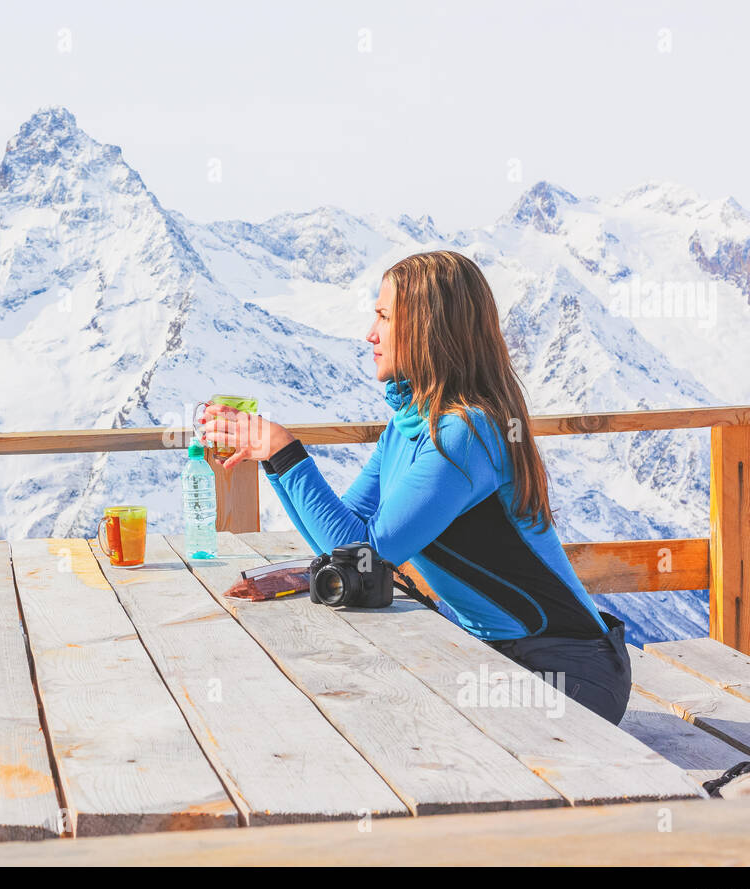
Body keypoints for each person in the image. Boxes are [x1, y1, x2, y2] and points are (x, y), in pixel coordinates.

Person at [200, 250, 632, 725]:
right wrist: (276, 461)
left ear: (428, 329)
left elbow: (367, 553)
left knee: (385, 722)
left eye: (384, 317)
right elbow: (345, 541)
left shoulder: (469, 433)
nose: (370, 334)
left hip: (565, 672)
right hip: (499, 657)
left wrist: (284, 452)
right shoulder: (406, 429)